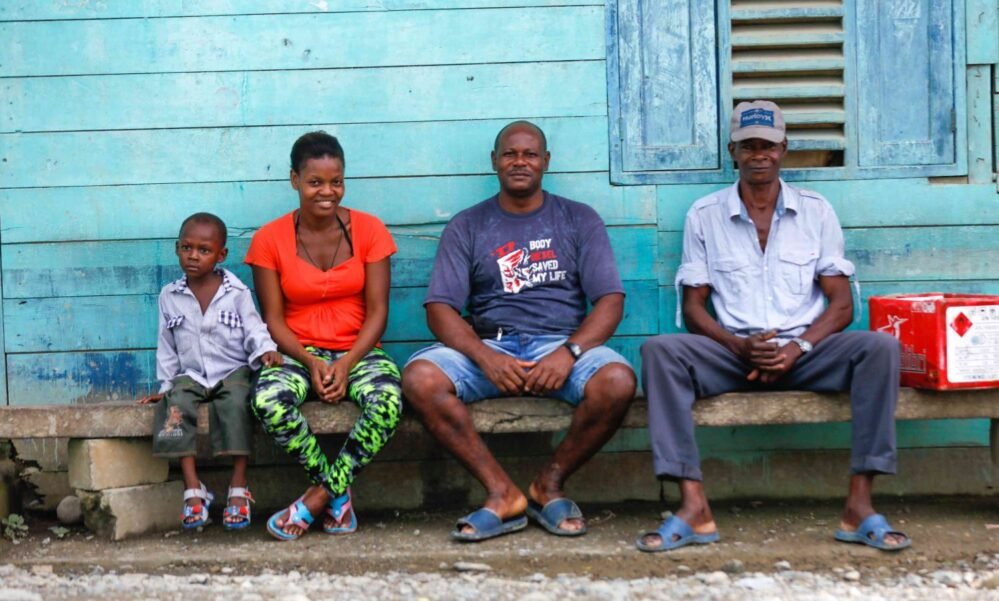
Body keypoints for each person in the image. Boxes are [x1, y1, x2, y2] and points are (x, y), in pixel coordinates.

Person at [637, 101, 910, 553]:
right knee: (660, 351)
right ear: (733, 151)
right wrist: (739, 345)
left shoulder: (816, 211)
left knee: (878, 348)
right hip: (732, 354)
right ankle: (693, 507)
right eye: (749, 146)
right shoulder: (703, 214)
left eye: (768, 145)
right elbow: (694, 309)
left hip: (805, 354)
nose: (758, 154)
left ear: (784, 148)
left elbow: (841, 305)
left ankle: (859, 506)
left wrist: (798, 347)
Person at [402, 121, 637, 542]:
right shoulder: (469, 225)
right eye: (510, 154)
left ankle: (548, 485)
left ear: (546, 162)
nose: (520, 162)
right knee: (420, 378)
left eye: (530, 154)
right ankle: (501, 493)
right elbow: (440, 309)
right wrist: (484, 355)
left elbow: (610, 301)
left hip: (561, 344)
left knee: (617, 382)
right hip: (489, 345)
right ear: (495, 162)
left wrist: (570, 352)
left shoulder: (578, 219)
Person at [246, 131, 402, 541]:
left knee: (387, 402)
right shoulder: (269, 239)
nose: (327, 192)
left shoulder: (369, 231)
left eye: (336, 182)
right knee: (267, 401)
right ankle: (335, 488)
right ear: (294, 179)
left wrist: (346, 363)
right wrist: (313, 362)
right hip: (297, 352)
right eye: (315, 182)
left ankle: (318, 496)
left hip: (360, 350)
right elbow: (273, 320)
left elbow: (379, 311)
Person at [139, 212, 282, 530]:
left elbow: (254, 328)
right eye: (186, 247)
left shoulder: (236, 291)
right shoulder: (169, 295)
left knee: (236, 404)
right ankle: (192, 489)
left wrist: (266, 350)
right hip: (190, 375)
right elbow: (166, 344)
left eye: (204, 250)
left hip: (232, 370)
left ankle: (238, 486)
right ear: (177, 248)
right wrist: (165, 387)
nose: (193, 256)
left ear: (221, 255)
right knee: (174, 404)